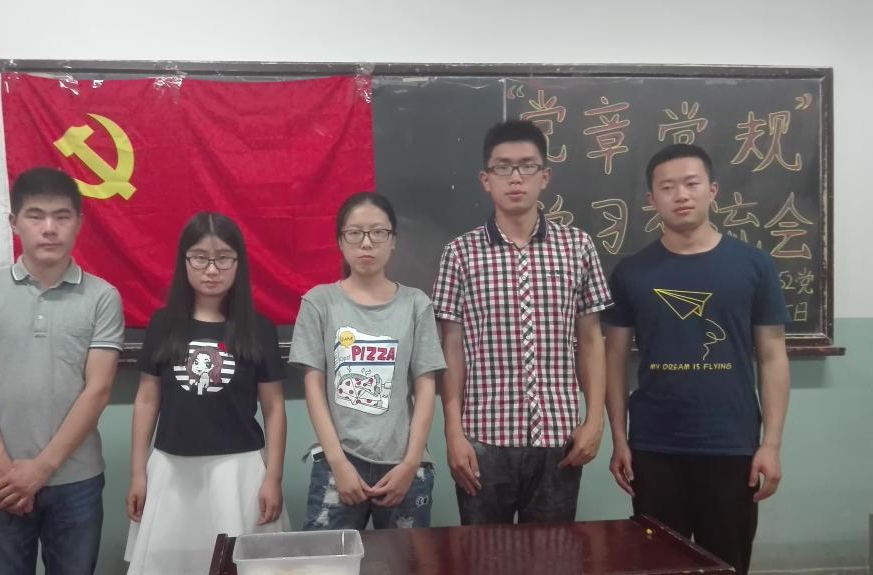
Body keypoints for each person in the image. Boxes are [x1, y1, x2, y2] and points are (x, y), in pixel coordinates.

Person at [603, 143, 790, 575]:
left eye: (691, 183)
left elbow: (772, 356)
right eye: (667, 187)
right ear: (652, 199)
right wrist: (619, 438)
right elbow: (614, 359)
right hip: (653, 446)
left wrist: (772, 444)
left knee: (726, 565)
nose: (681, 195)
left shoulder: (754, 265)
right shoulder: (632, 272)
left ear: (713, 190)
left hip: (732, 444)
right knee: (655, 565)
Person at [432, 120, 611, 524]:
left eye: (527, 166)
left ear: (544, 176)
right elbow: (451, 348)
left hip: (559, 439)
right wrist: (453, 432)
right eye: (503, 167)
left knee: (553, 554)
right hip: (483, 440)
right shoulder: (459, 253)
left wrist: (594, 420)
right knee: (483, 554)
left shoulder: (578, 247)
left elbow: (591, 339)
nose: (515, 178)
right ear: (486, 179)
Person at [0, 167, 124, 574]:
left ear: (79, 223)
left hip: (76, 481)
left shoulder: (102, 297)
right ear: (15, 222)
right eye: (36, 216)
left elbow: (97, 391)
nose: (49, 228)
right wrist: (4, 472)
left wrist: (40, 470)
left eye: (62, 216)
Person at [124, 212, 289, 575]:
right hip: (171, 469)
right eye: (200, 258)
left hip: (239, 471)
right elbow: (146, 400)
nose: (212, 269)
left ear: (238, 263)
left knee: (239, 566)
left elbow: (274, 408)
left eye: (223, 258)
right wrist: (138, 473)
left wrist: (273, 477)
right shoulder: (163, 324)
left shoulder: (258, 328)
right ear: (184, 261)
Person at [290, 192, 446, 530]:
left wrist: (410, 464)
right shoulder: (319, 302)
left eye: (378, 232)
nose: (366, 243)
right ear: (340, 241)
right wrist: (338, 463)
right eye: (355, 233)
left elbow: (425, 386)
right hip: (339, 463)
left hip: (403, 466)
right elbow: (313, 386)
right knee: (327, 557)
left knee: (407, 558)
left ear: (393, 241)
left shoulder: (416, 304)